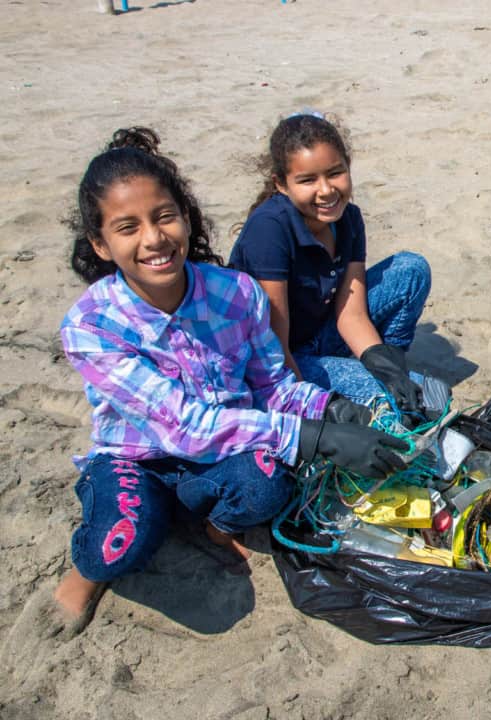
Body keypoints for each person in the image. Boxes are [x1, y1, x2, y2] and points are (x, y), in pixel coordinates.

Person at [51, 127, 407, 636]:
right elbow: (186, 426)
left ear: (187, 218)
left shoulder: (235, 293)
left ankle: (214, 527)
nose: (153, 239)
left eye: (164, 216)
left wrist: (330, 410)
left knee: (267, 488)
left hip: (225, 450)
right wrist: (314, 437)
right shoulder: (91, 327)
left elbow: (273, 387)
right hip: (141, 457)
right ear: (100, 244)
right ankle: (87, 572)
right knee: (119, 543)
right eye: (128, 227)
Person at [230, 112, 431, 417]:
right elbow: (273, 348)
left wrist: (386, 368)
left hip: (322, 330)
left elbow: (352, 313)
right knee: (417, 396)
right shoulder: (269, 230)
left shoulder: (348, 218)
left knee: (411, 271)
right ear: (282, 184)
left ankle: (389, 363)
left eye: (335, 173)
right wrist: (308, 408)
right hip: (284, 356)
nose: (325, 190)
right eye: (308, 180)